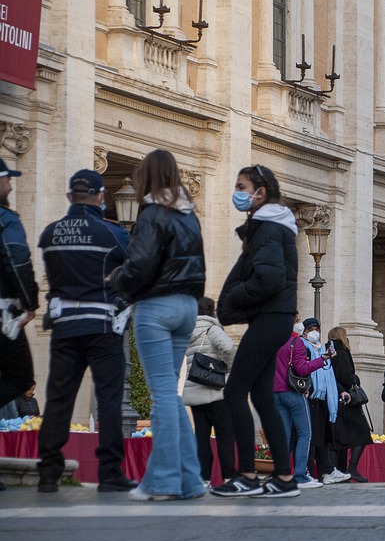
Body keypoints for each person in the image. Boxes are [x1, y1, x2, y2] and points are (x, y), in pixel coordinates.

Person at [110, 150, 206, 502]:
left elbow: (141, 264)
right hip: (187, 306)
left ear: (146, 178)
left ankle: (161, 481)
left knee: (162, 396)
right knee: (172, 397)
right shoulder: (189, 214)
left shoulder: (153, 213)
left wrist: (118, 277)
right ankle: (190, 480)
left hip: (157, 307)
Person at [36, 169, 137, 494]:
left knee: (58, 398)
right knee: (109, 398)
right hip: (103, 324)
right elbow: (134, 267)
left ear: (69, 197)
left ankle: (48, 473)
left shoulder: (50, 234)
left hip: (65, 326)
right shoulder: (112, 233)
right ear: (100, 197)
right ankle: (109, 473)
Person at [212, 164, 300, 498]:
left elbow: (269, 277)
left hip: (270, 316)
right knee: (262, 397)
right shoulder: (273, 227)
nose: (237, 192)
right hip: (274, 317)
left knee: (234, 391)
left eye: (242, 186)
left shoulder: (267, 229)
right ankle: (284, 477)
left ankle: (247, 475)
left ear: (260, 193)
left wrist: (234, 298)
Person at [0, 158, 38, 491]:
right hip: (2, 313)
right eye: (6, 179)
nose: (11, 186)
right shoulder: (6, 220)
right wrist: (31, 303)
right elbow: (17, 258)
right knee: (21, 376)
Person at [182, 297, 237, 486]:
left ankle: (204, 478)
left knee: (202, 438)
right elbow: (229, 347)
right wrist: (228, 367)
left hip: (195, 390)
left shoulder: (188, 331)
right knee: (225, 436)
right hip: (216, 391)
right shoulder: (212, 329)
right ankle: (229, 475)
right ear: (212, 311)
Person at [273, 318, 327, 488]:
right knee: (305, 433)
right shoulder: (295, 342)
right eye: (296, 319)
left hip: (275, 392)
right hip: (293, 393)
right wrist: (323, 359)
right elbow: (302, 369)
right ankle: (300, 475)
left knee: (285, 435)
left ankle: (282, 474)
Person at [301, 318, 351, 486]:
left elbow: (329, 374)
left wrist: (339, 390)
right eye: (311, 329)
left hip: (322, 398)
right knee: (309, 437)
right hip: (309, 396)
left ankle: (327, 470)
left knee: (320, 438)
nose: (315, 332)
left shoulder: (323, 349)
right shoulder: (303, 347)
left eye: (317, 328)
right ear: (304, 331)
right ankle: (308, 471)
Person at [328, 326, 374, 483]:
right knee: (362, 433)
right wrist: (355, 379)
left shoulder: (329, 353)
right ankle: (352, 468)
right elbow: (346, 376)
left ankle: (338, 470)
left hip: (334, 399)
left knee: (338, 437)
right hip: (346, 400)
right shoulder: (341, 353)